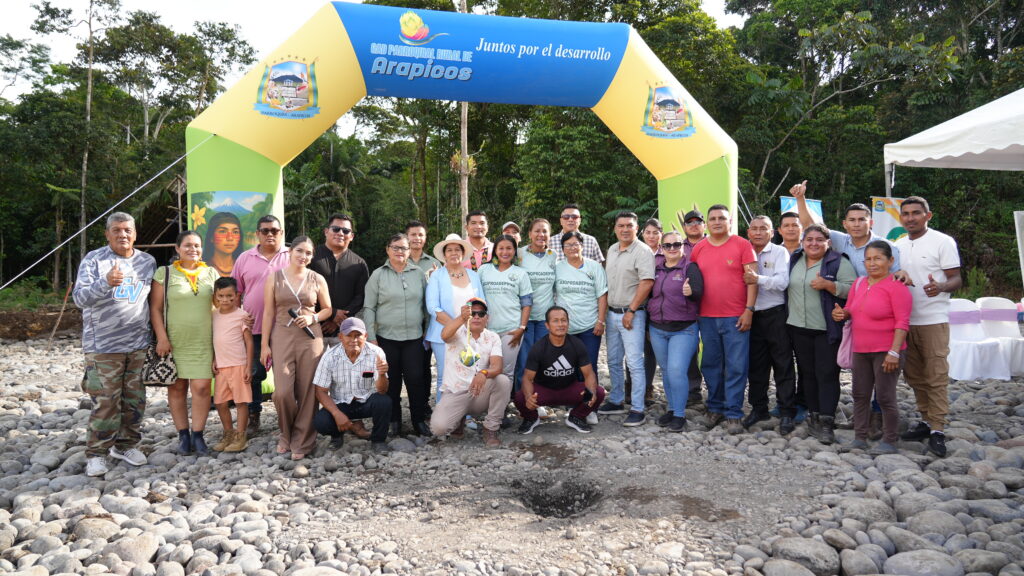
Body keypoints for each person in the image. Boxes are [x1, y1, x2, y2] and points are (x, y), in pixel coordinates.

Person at [793, 182, 903, 439]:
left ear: (870, 222)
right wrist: (801, 199)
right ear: (844, 224)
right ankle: (860, 417)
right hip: (850, 315)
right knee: (860, 370)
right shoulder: (841, 241)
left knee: (881, 369)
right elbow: (811, 226)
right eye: (851, 220)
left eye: (861, 219)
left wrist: (904, 274)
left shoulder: (886, 247)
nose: (856, 224)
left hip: (880, 316)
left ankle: (878, 417)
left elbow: (896, 278)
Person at [73, 212, 156, 477]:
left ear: (135, 234)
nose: (123, 235)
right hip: (103, 346)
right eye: (117, 230)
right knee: (106, 401)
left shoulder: (147, 262)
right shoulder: (94, 260)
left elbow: (151, 301)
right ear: (107, 234)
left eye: (127, 230)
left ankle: (125, 446)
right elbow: (80, 298)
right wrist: (105, 283)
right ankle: (96, 453)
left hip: (137, 344)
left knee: (135, 400)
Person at [893, 196, 962, 458]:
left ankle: (937, 429)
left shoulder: (943, 241)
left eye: (916, 213)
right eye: (906, 213)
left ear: (927, 215)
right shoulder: (898, 246)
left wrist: (941, 286)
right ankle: (925, 419)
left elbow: (956, 278)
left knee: (936, 375)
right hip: (905, 321)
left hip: (933, 319)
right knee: (914, 375)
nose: (910, 218)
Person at [832, 241, 911, 455]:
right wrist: (842, 313)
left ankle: (890, 440)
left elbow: (902, 322)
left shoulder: (897, 286)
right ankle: (860, 437)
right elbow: (850, 309)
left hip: (887, 351)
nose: (872, 263)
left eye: (878, 258)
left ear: (890, 261)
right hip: (860, 349)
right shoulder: (859, 284)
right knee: (860, 394)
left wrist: (894, 352)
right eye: (868, 259)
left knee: (885, 396)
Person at [260, 235, 332, 460]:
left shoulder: (317, 278)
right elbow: (268, 313)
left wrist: (313, 318)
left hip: (310, 338)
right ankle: (286, 433)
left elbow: (328, 309)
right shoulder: (275, 277)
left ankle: (303, 439)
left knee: (308, 391)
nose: (303, 256)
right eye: (300, 251)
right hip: (282, 335)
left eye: (308, 253)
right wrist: (264, 345)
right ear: (290, 252)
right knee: (282, 393)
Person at [150, 230, 221, 455]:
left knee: (202, 388)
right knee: (177, 387)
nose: (193, 249)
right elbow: (155, 308)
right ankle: (183, 435)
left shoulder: (211, 273)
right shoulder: (165, 273)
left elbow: (220, 307)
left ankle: (198, 435)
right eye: (188, 245)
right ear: (177, 248)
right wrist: (162, 337)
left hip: (204, 341)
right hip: (174, 341)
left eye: (197, 245)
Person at [690, 205, 758, 435]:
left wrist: (749, 309)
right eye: (713, 218)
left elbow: (752, 280)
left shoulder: (743, 245)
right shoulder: (699, 248)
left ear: (730, 221)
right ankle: (715, 407)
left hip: (736, 317)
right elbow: (693, 281)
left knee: (736, 366)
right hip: (706, 317)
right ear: (707, 223)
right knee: (710, 365)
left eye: (722, 218)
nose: (717, 222)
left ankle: (734, 413)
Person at [786, 224, 855, 445]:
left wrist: (829, 285)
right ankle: (814, 415)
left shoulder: (838, 262)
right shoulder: (795, 259)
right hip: (798, 327)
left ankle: (827, 420)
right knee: (807, 374)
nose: (813, 243)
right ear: (802, 242)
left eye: (819, 240)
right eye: (809, 239)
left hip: (826, 329)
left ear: (828, 243)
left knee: (827, 374)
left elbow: (854, 289)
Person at [363, 233, 430, 438]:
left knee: (416, 379)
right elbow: (369, 307)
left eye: (404, 248)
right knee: (391, 380)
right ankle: (394, 420)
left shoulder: (418, 274)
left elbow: (426, 306)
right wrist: (371, 338)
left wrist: (427, 332)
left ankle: (418, 419)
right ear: (387, 249)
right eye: (395, 247)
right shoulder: (378, 275)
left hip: (414, 337)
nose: (400, 251)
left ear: (410, 251)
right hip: (386, 338)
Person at [232, 215, 290, 437]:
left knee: (286, 374)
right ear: (257, 234)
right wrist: (238, 318)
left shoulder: (291, 256)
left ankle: (288, 417)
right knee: (254, 373)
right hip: (254, 328)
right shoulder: (244, 258)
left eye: (274, 230)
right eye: (265, 231)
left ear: (281, 233)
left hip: (284, 328)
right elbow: (236, 293)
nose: (270, 234)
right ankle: (254, 415)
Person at [597, 211, 655, 427]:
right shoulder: (612, 249)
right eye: (620, 226)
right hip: (612, 313)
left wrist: (631, 311)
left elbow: (647, 282)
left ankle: (638, 408)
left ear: (636, 228)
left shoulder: (643, 251)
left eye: (629, 225)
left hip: (633, 315)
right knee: (613, 360)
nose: (625, 229)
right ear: (615, 228)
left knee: (634, 362)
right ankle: (616, 400)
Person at [429, 297, 512, 447]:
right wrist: (461, 318)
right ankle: (458, 420)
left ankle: (491, 428)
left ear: (487, 318)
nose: (476, 317)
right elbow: (444, 335)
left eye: (481, 314)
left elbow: (497, 366)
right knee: (439, 428)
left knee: (503, 381)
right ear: (467, 315)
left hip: (479, 391)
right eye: (472, 313)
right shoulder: (457, 331)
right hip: (456, 393)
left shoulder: (492, 337)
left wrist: (483, 373)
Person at [742, 216, 797, 434]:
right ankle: (759, 409)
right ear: (748, 232)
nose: (758, 232)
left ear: (772, 232)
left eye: (763, 229)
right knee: (756, 367)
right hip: (751, 316)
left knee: (783, 365)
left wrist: (758, 279)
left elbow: (783, 282)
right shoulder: (743, 251)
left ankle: (786, 411)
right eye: (754, 229)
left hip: (776, 315)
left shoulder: (779, 252)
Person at [514, 306, 605, 434]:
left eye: (563, 320)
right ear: (547, 325)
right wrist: (529, 397)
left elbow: (589, 374)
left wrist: (591, 392)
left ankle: (576, 417)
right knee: (520, 397)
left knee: (598, 392)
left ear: (568, 323)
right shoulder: (538, 347)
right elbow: (527, 378)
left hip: (569, 389)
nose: (560, 324)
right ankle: (531, 418)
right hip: (544, 390)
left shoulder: (577, 344)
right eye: (555, 321)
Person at [647, 231, 703, 433]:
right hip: (657, 328)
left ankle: (679, 414)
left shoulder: (690, 267)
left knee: (677, 370)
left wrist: (691, 292)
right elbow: (648, 294)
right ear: (661, 248)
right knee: (666, 370)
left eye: (676, 244)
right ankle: (671, 409)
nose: (672, 248)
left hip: (684, 329)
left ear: (683, 246)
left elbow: (700, 292)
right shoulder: (656, 268)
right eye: (668, 245)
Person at [312, 317, 392, 453]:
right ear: (340, 337)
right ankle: (337, 435)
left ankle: (378, 440)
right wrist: (336, 413)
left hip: (366, 401)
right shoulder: (330, 356)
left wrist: (382, 374)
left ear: (365, 336)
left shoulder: (376, 353)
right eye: (348, 335)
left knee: (384, 402)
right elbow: (320, 391)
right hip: (341, 403)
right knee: (321, 422)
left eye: (358, 335)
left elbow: (382, 390)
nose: (353, 340)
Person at [425, 234, 484, 401]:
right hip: (443, 334)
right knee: (445, 377)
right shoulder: (437, 276)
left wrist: (473, 328)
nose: (453, 253)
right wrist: (456, 326)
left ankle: (466, 412)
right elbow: (432, 307)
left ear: (463, 253)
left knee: (468, 374)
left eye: (457, 249)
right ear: (444, 255)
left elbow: (482, 302)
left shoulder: (473, 275)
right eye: (449, 250)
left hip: (470, 333)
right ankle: (443, 414)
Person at [554, 231, 608, 400]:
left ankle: (590, 403)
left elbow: (602, 295)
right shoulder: (557, 268)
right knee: (569, 365)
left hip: (589, 326)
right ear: (563, 249)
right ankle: (573, 401)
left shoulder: (594, 267)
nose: (572, 248)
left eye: (575, 244)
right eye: (568, 245)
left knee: (589, 365)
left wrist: (601, 321)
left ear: (582, 246)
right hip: (565, 328)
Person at [478, 234, 533, 381]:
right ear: (495, 250)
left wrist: (522, 328)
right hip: (486, 330)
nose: (505, 252)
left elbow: (527, 303)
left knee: (506, 371)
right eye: (501, 248)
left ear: (515, 251)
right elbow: (476, 298)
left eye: (509, 248)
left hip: (511, 330)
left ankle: (504, 397)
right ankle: (486, 396)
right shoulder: (484, 270)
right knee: (484, 369)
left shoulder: (520, 273)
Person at [310, 213, 369, 343]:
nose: (340, 233)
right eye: (336, 229)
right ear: (326, 231)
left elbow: (361, 296)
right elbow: (303, 290)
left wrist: (338, 320)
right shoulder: (311, 257)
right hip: (312, 327)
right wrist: (331, 314)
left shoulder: (359, 263)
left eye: (346, 231)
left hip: (346, 332)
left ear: (352, 236)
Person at [211, 277, 254, 452]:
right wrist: (214, 359)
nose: (225, 300)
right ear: (215, 296)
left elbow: (249, 342)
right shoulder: (213, 315)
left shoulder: (242, 316)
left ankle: (240, 436)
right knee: (220, 402)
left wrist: (248, 366)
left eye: (229, 296)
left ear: (236, 295)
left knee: (241, 402)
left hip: (238, 365)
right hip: (221, 366)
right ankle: (228, 433)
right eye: (221, 296)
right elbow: (215, 340)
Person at [515, 219, 557, 388]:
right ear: (530, 234)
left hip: (544, 317)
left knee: (542, 357)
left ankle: (540, 393)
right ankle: (522, 395)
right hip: (523, 316)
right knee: (524, 358)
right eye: (537, 231)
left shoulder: (553, 256)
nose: (541, 235)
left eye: (545, 231)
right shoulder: (519, 254)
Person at [626, 218, 662, 402]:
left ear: (661, 234)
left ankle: (647, 386)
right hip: (636, 304)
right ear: (642, 233)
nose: (651, 236)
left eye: (655, 232)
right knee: (632, 348)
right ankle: (630, 386)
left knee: (650, 349)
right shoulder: (636, 251)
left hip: (657, 307)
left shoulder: (666, 253)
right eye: (648, 232)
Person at [680, 209, 706, 408]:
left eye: (698, 222)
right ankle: (692, 390)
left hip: (713, 304)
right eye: (690, 222)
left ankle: (717, 393)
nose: (694, 225)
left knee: (714, 351)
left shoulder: (713, 244)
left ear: (704, 225)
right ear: (684, 227)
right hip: (685, 306)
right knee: (689, 350)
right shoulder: (677, 246)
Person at [203, 211, 244, 278]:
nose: (230, 238)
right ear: (211, 237)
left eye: (235, 232)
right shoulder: (201, 268)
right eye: (222, 231)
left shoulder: (246, 266)